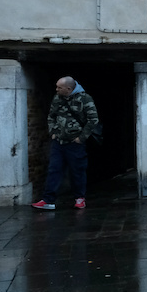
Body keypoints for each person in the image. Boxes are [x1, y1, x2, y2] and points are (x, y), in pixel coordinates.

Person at [32, 77, 100, 210]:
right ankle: (48, 200)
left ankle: (79, 198)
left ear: (68, 89)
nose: (56, 89)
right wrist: (53, 132)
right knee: (54, 169)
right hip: (58, 141)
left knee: (77, 171)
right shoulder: (57, 98)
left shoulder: (85, 99)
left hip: (75, 143)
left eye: (59, 87)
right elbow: (51, 116)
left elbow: (93, 119)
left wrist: (81, 138)